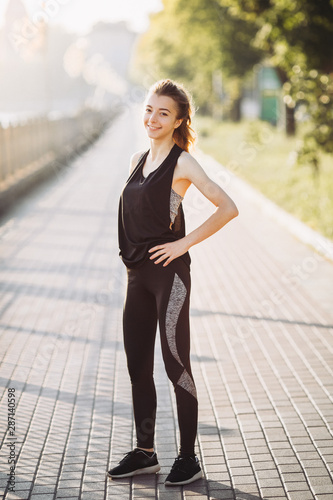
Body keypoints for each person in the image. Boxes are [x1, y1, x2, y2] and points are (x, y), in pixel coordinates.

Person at [107, 79, 238, 486]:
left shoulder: (182, 163)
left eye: (163, 112)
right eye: (149, 109)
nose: (153, 118)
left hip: (169, 278)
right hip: (135, 277)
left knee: (175, 365)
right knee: (137, 366)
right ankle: (146, 453)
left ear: (179, 120)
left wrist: (182, 244)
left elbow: (227, 207)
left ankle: (188, 458)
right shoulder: (135, 159)